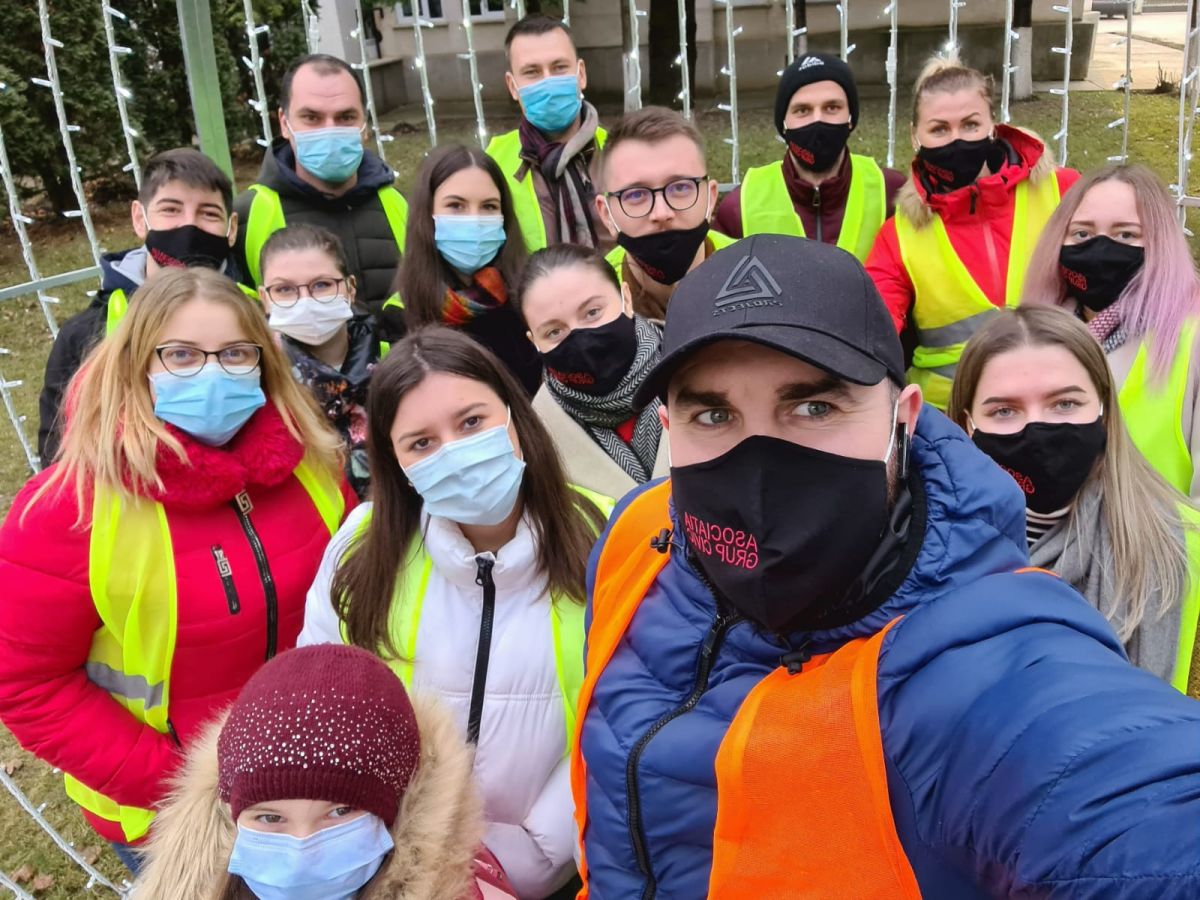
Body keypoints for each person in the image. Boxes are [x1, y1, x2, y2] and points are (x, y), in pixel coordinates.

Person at [573, 234, 1200, 898]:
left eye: (814, 407)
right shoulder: (640, 534)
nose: (759, 461)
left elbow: (1114, 795)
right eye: (713, 413)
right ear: (670, 427)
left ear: (904, 418)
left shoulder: (980, 665)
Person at [0, 268, 353, 872]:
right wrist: (187, 785)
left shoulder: (310, 465)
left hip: (319, 779)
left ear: (264, 363)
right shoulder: (69, 510)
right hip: (171, 815)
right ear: (137, 365)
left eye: (235, 353)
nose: (213, 373)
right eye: (182, 355)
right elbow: (27, 685)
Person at [299, 326, 610, 900]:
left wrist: (526, 859)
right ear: (395, 461)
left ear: (514, 416)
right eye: (421, 443)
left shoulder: (606, 538)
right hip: (397, 869)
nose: (455, 453)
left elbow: (620, 720)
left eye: (471, 422)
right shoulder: (361, 549)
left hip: (562, 866)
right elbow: (320, 706)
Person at [134, 643, 520, 899]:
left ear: (400, 808)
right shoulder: (192, 883)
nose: (302, 849)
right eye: (270, 817)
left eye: (339, 812)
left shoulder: (473, 889)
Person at [948, 306, 1200, 695]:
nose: (1037, 430)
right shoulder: (922, 555)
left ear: (1103, 410)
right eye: (1004, 410)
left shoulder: (1183, 543)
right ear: (968, 424)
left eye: (1065, 404)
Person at [865, 53, 1079, 410]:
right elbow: (871, 326)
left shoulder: (1062, 191)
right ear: (915, 136)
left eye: (970, 125)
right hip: (951, 419)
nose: (957, 140)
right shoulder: (899, 234)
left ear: (992, 125)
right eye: (939, 129)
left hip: (1056, 403)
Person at [38, 148, 245, 463]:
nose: (189, 227)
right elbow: (58, 458)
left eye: (209, 213)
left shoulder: (257, 315)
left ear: (231, 229)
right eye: (171, 210)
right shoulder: (85, 335)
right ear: (140, 218)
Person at [1020, 163, 1200, 498]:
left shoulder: (1192, 338)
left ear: (1160, 243)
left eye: (1126, 235)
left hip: (1162, 532)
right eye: (1082, 234)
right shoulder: (1030, 338)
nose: (1100, 249)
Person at [233, 53, 409, 340]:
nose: (330, 130)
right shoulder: (246, 217)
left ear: (364, 124)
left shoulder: (399, 204)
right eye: (312, 118)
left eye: (345, 117)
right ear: (284, 123)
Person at [714, 52, 905, 260]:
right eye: (802, 110)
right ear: (783, 124)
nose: (817, 120)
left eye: (832, 107)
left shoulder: (892, 193)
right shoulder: (740, 206)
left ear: (851, 118)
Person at [516, 243, 669, 500]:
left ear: (626, 299)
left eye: (592, 312)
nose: (581, 338)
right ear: (534, 342)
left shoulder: (699, 366)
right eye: (554, 331)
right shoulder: (536, 436)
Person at [392, 144, 541, 396]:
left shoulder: (529, 297)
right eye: (456, 205)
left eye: (489, 206)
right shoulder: (400, 312)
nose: (475, 219)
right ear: (427, 214)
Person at [258, 224, 380, 499]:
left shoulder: (393, 364)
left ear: (350, 288)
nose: (305, 301)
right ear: (265, 298)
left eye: (322, 285)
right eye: (284, 289)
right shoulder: (260, 381)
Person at [595, 106, 735, 321]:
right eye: (635, 195)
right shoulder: (592, 305)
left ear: (711, 198)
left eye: (680, 188)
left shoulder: (761, 276)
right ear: (607, 215)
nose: (661, 213)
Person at [486, 15, 608, 254]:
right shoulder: (492, 163)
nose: (548, 82)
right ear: (512, 86)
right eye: (532, 72)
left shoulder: (617, 151)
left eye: (559, 67)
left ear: (581, 74)